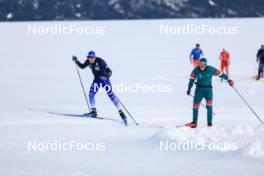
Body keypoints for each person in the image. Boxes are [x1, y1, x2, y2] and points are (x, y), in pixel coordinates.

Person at [72, 51, 128, 125]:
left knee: (111, 96)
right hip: (97, 81)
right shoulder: (88, 61)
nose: (90, 59)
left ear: (95, 57)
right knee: (91, 94)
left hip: (105, 80)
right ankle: (93, 111)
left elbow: (110, 71)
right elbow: (82, 66)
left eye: (92, 58)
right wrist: (76, 61)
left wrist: (105, 77)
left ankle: (121, 112)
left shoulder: (100, 61)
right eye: (89, 58)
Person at [185, 58, 234, 128]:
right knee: (195, 106)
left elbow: (221, 74)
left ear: (206, 65)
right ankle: (194, 122)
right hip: (199, 90)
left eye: (203, 65)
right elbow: (191, 80)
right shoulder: (196, 70)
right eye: (200, 64)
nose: (202, 66)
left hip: (208, 90)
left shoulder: (210, 69)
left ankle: (209, 123)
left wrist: (229, 80)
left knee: (209, 106)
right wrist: (189, 89)